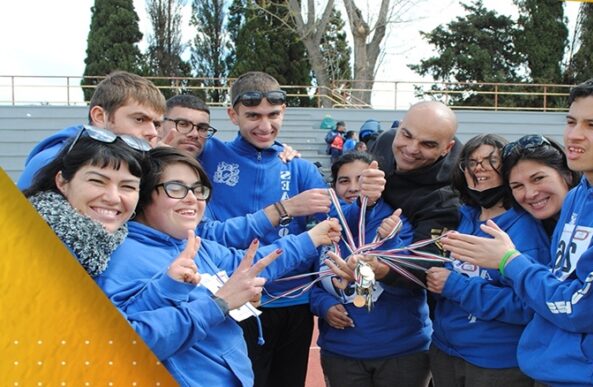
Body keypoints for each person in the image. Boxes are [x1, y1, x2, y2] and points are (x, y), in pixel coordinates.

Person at [441, 73, 593, 386]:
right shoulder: (582, 190)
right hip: (553, 367)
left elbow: (583, 308)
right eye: (572, 122)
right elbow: (560, 278)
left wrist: (508, 261)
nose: (574, 135)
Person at [198, 71, 385, 387]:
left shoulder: (297, 167)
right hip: (234, 298)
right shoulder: (210, 154)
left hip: (292, 304)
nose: (265, 125)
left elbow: (342, 219)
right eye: (253, 116)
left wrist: (371, 199)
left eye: (273, 115)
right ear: (232, 115)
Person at [96, 147, 341, 385]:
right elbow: (125, 347)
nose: (192, 198)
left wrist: (311, 238)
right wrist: (219, 303)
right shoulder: (120, 258)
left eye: (198, 189)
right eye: (176, 188)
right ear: (144, 194)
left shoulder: (189, 244)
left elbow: (247, 263)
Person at [425, 134, 550, 387]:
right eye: (471, 161)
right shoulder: (457, 219)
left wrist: (454, 286)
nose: (479, 167)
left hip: (496, 364)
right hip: (444, 351)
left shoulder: (524, 228)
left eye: (491, 160)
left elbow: (528, 305)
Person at [310, 151, 432, 387]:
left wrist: (391, 243)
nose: (354, 188)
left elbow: (412, 283)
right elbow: (314, 283)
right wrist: (324, 306)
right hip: (342, 353)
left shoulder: (398, 223)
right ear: (334, 186)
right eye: (344, 181)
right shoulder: (326, 228)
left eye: (362, 179)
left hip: (401, 353)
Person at [23, 127, 148, 276]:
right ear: (62, 182)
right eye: (97, 181)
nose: (113, 198)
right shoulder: (33, 242)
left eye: (128, 186)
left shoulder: (110, 245)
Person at [368, 101, 463, 288]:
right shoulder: (385, 141)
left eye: (427, 144)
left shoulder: (448, 195)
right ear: (400, 126)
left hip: (401, 299)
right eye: (407, 135)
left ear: (447, 148)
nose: (411, 149)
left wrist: (380, 269)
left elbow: (428, 265)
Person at [17, 71, 165, 190]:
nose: (153, 132)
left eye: (157, 124)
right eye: (139, 119)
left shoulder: (146, 163)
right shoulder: (49, 161)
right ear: (100, 116)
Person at [503, 134, 581, 236]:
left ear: (568, 174)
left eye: (538, 179)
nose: (530, 194)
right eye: (518, 186)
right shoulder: (519, 229)